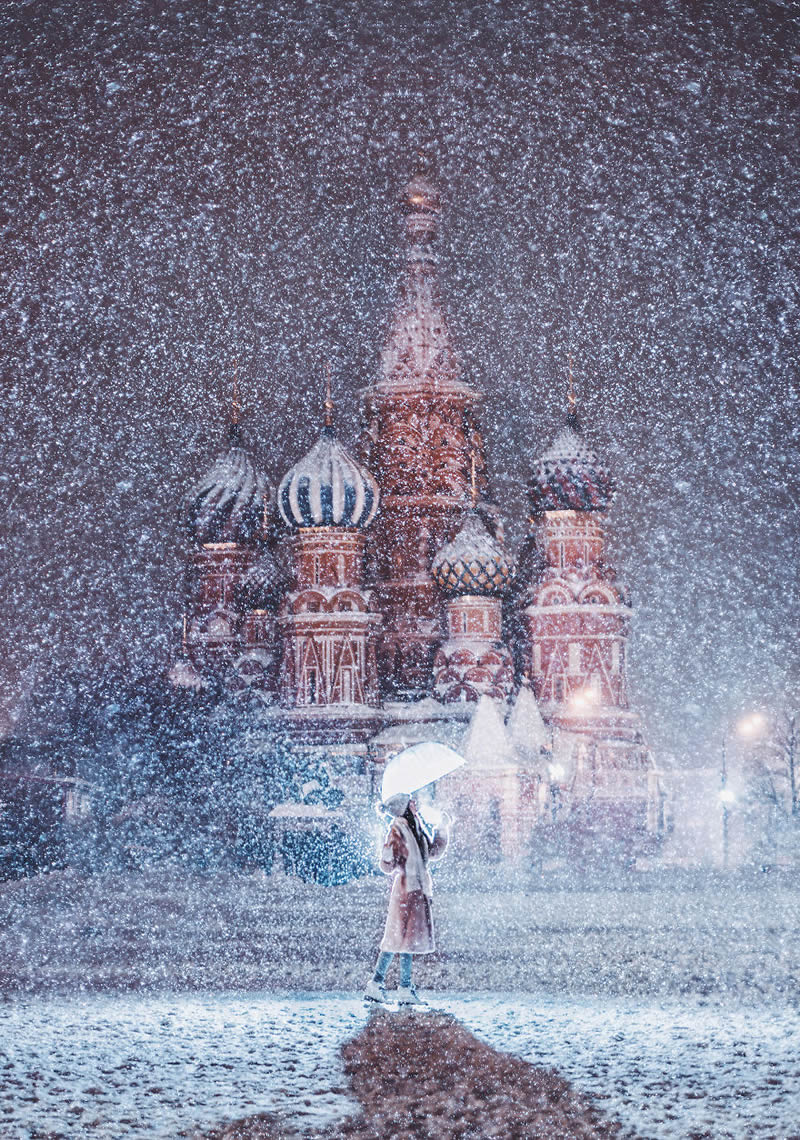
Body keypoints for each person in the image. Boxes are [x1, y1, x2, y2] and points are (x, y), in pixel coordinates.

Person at [364, 792, 451, 1006]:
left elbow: (432, 851)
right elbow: (387, 866)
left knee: (403, 940)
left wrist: (442, 828)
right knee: (399, 939)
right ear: (403, 807)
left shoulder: (416, 827)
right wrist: (386, 853)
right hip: (405, 890)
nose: (414, 804)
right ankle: (395, 986)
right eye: (410, 801)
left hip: (417, 890)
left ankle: (382, 984)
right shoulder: (398, 829)